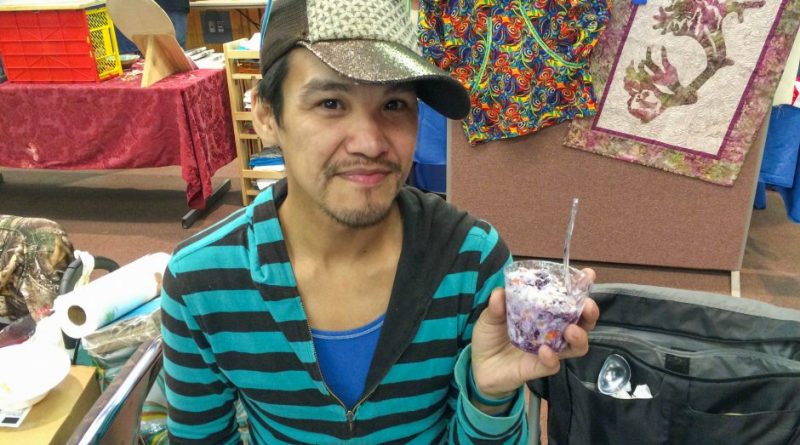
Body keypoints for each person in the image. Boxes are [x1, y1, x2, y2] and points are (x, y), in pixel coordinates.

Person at [160, 0, 600, 443]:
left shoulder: (470, 262)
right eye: (331, 102)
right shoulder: (203, 280)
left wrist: (489, 398)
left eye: (394, 104)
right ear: (266, 115)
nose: (370, 142)